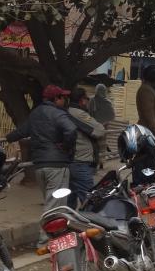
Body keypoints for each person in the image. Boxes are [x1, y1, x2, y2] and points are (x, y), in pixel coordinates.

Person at [7, 85, 78, 238]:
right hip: (57, 165)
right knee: (55, 206)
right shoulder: (59, 114)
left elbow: (20, 132)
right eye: (63, 97)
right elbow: (71, 130)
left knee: (51, 202)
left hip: (39, 165)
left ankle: (55, 237)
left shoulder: (35, 114)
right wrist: (66, 147)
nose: (65, 100)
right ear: (56, 98)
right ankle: (45, 240)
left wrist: (8, 138)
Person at [66, 88, 106, 206]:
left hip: (72, 161)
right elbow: (99, 130)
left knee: (71, 200)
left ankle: (70, 222)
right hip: (80, 163)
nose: (88, 102)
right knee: (90, 202)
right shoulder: (78, 113)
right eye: (87, 99)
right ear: (82, 100)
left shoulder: (69, 111)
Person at [136, 65, 155, 146]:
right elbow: (149, 116)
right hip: (148, 133)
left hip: (150, 132)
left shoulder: (149, 89)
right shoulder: (146, 90)